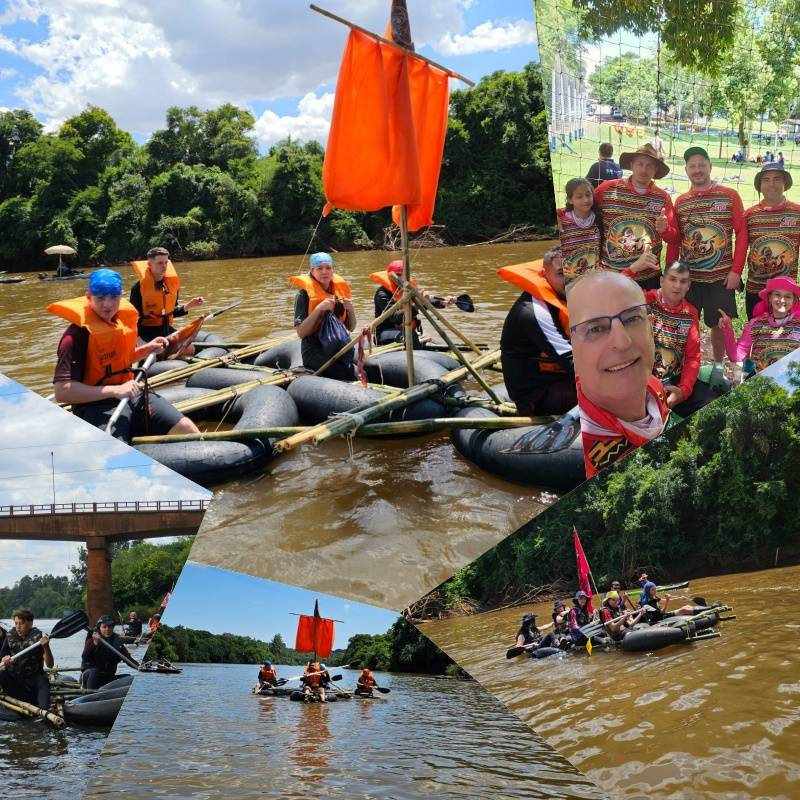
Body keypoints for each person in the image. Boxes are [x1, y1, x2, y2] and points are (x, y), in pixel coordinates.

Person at [50, 269, 201, 442]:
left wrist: (147, 349)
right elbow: (62, 391)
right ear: (88, 296)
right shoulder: (75, 336)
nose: (108, 305)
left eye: (114, 298)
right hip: (95, 405)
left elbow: (118, 361)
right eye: (100, 298)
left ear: (121, 296)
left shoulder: (120, 322)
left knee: (186, 427)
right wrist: (115, 390)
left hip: (131, 394)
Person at [567, 270, 670, 478]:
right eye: (595, 329)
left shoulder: (654, 387)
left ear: (650, 327)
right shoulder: (583, 449)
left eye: (632, 319)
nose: (622, 342)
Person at [665, 146, 747, 363]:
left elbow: (742, 233)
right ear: (686, 170)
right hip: (689, 280)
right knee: (684, 325)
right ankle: (685, 367)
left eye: (702, 164)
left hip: (720, 279)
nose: (697, 169)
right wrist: (669, 274)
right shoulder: (680, 202)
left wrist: (736, 271)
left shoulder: (730, 196)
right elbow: (675, 241)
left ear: (710, 166)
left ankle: (718, 367)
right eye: (692, 166)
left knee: (719, 325)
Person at [626, 260, 719, 416]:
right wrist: (632, 269)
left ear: (688, 286)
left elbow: (693, 358)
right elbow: (616, 292)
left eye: (683, 281)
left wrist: (683, 391)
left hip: (675, 380)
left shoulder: (690, 314)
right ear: (662, 281)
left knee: (713, 406)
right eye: (672, 279)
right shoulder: (645, 300)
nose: (677, 286)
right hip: (642, 380)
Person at [498, 247, 577, 416]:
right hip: (537, 396)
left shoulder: (572, 298)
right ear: (544, 274)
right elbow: (572, 362)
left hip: (561, 379)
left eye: (576, 271)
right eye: (562, 274)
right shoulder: (533, 312)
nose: (571, 279)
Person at [594, 143, 678, 289]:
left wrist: (665, 230)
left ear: (656, 169)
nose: (644, 170)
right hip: (612, 275)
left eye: (649, 166)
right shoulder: (606, 190)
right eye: (640, 164)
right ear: (632, 164)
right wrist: (563, 215)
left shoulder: (663, 198)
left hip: (648, 278)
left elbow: (675, 239)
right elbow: (584, 214)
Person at [742, 164, 800, 318]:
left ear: (784, 184)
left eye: (777, 179)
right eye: (766, 180)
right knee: (756, 334)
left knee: (785, 337)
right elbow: (741, 249)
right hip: (756, 290)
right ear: (760, 186)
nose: (771, 184)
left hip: (786, 293)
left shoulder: (797, 212)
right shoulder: (749, 215)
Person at [290, 252, 357, 381]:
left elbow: (351, 327)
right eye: (319, 268)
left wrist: (351, 310)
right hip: (315, 349)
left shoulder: (339, 292)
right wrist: (319, 309)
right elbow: (301, 333)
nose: (324, 272)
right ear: (312, 271)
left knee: (363, 370)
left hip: (338, 345)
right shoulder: (303, 295)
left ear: (333, 270)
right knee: (350, 375)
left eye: (328, 268)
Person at [719, 275, 800, 371]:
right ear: (769, 297)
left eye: (787, 296)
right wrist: (728, 329)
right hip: (761, 382)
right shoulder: (756, 324)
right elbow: (735, 357)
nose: (782, 300)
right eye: (777, 295)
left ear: (794, 301)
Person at [129, 247, 204, 346]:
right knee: (158, 354)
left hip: (167, 331)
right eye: (160, 263)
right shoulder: (138, 289)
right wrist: (138, 340)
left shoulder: (171, 285)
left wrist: (189, 305)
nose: (164, 266)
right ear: (150, 264)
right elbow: (131, 319)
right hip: (146, 334)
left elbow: (171, 312)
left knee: (190, 348)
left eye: (166, 262)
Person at [370, 260, 455, 346]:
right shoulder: (382, 294)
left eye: (405, 275)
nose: (402, 278)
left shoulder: (408, 289)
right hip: (385, 333)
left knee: (423, 338)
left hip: (407, 330)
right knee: (410, 335)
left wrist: (442, 302)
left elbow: (426, 302)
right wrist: (419, 304)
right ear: (390, 276)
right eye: (398, 275)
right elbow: (395, 317)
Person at [0, 608, 53, 709]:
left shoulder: (39, 637)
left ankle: (44, 710)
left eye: (21, 623)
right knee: (2, 674)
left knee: (43, 680)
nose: (18, 627)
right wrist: (4, 662)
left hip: (34, 682)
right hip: (17, 684)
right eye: (16, 623)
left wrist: (46, 647)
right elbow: (1, 661)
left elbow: (50, 665)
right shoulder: (10, 636)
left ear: (30, 623)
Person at [557, 178, 602, 282]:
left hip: (594, 280)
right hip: (569, 282)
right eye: (579, 197)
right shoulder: (562, 222)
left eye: (588, 195)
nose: (585, 200)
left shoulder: (599, 219)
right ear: (570, 199)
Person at [81, 615, 137, 690]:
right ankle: (90, 694)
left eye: (110, 627)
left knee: (129, 677)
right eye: (104, 627)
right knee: (95, 671)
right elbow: (85, 657)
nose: (107, 629)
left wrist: (141, 669)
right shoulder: (92, 638)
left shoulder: (117, 641)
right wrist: (95, 643)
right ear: (99, 628)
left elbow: (128, 659)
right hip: (89, 676)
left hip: (107, 678)